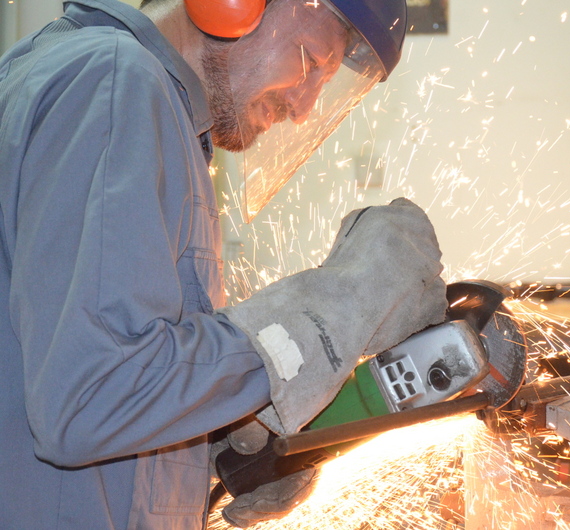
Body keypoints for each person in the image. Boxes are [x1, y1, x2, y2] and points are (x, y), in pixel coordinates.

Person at [0, 0, 448, 528]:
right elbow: (92, 396)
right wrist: (331, 310)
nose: (303, 107)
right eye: (310, 60)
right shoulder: (118, 84)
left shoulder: (113, 91)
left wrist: (216, 443)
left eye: (325, 83)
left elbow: (72, 376)